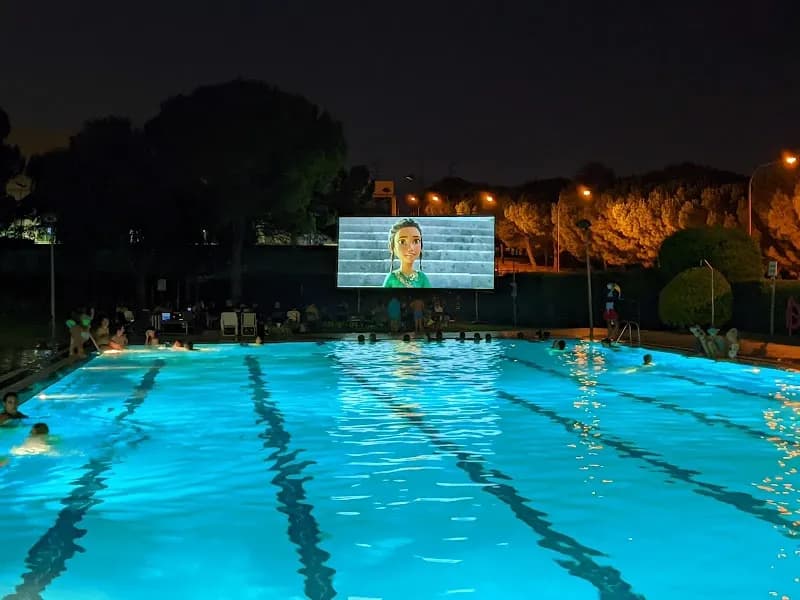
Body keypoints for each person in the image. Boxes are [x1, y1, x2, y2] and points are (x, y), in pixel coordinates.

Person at [382, 218, 432, 288]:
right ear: (393, 247)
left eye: (416, 241)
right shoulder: (391, 278)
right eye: (402, 242)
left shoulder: (422, 278)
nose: (411, 248)